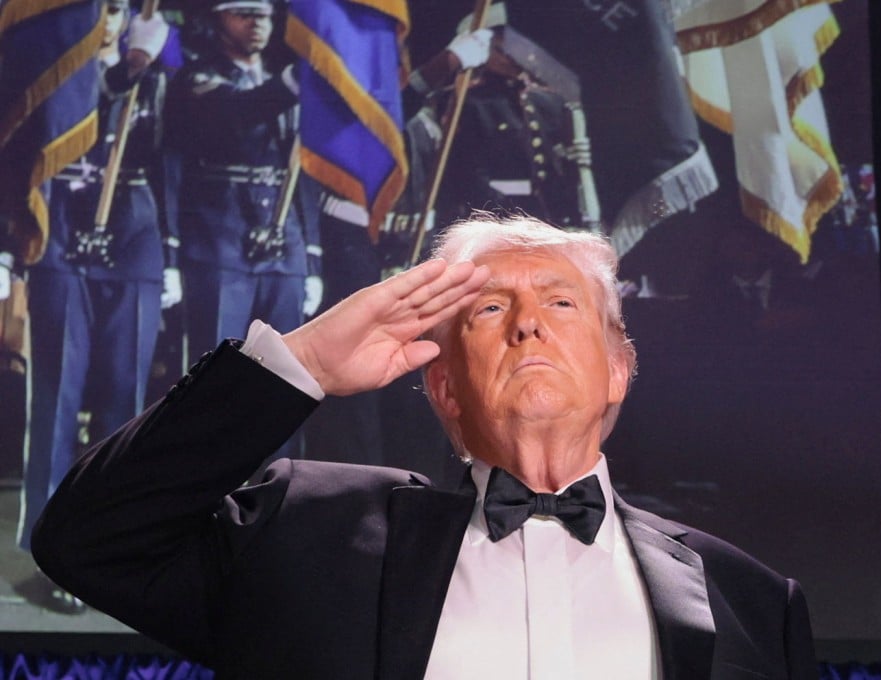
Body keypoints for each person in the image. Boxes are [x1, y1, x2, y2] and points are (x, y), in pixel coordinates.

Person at [32, 214, 817, 678]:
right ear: (443, 388)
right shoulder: (304, 532)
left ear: (618, 370)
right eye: (489, 310)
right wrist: (300, 366)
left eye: (561, 303)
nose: (528, 323)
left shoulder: (750, 601)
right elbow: (88, 540)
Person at [17, 0, 173, 607]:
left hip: (134, 236)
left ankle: (114, 543)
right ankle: (52, 552)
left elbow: (172, 160)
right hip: (60, 229)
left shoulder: (155, 74)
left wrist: (172, 252)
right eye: (101, 7)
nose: (109, 19)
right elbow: (24, 151)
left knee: (127, 401)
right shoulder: (53, 67)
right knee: (56, 396)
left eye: (118, 9)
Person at [163, 0, 322, 370]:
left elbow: (303, 172)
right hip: (220, 240)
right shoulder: (196, 78)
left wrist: (312, 257)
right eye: (244, 14)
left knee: (284, 373)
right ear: (219, 18)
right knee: (218, 369)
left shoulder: (284, 80)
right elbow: (239, 111)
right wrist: (299, 78)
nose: (257, 23)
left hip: (284, 242)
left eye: (264, 15)